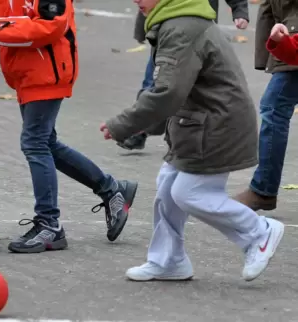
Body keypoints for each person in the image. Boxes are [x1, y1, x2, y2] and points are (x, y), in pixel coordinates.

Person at [100, 0, 284, 282]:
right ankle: (168, 261)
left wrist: (124, 125)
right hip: (197, 124)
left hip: (218, 126)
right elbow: (174, 88)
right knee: (167, 187)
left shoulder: (181, 28)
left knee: (188, 193)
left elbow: (167, 92)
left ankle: (259, 232)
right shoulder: (172, 20)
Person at [0, 0, 138, 254]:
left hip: (48, 73)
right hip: (24, 74)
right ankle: (112, 190)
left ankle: (49, 224)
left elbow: (48, 26)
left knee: (34, 142)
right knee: (45, 143)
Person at [118, 0, 250, 151]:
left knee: (187, 90)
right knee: (155, 83)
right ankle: (140, 128)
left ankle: (177, 133)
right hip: (166, 32)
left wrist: (239, 10)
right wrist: (142, 28)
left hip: (197, 31)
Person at [234, 0, 298, 211]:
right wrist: (267, 53)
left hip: (293, 38)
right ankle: (264, 190)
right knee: (274, 108)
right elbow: (270, 7)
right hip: (287, 38)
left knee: (274, 108)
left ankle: (264, 190)